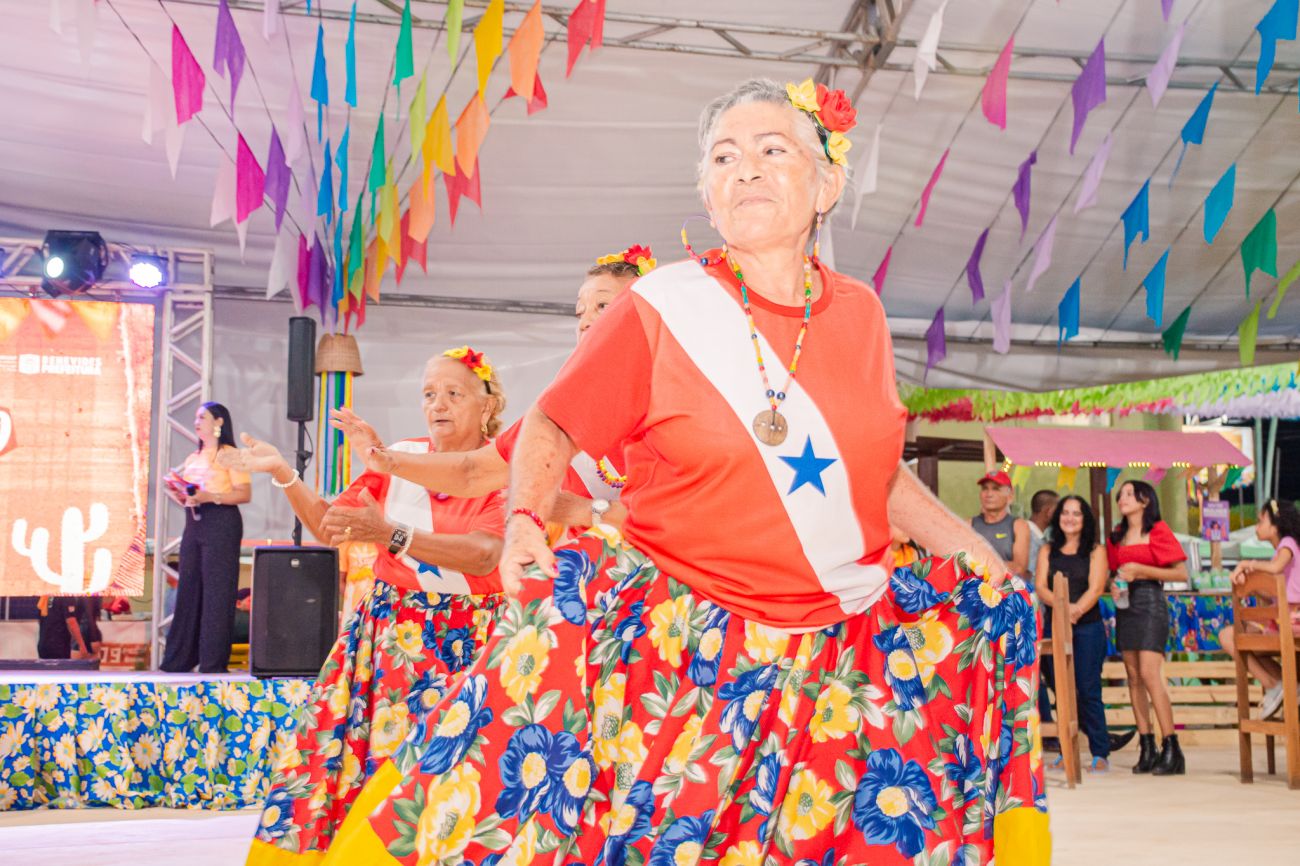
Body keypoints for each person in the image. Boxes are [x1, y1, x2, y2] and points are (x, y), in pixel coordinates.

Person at [322, 77, 1047, 865]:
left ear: (827, 185)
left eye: (773, 150)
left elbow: (873, 474)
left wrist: (975, 555)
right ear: (707, 195)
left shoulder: (862, 315)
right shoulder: (664, 305)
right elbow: (553, 424)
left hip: (836, 651)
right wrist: (525, 516)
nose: (746, 169)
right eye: (724, 157)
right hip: (684, 649)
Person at [221, 348, 510, 866]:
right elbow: (330, 526)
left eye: (454, 393)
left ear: (487, 405)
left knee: (452, 769)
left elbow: (484, 554)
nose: (438, 404)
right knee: (372, 763)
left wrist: (390, 534)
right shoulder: (399, 457)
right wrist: (284, 473)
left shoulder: (502, 468)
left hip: (466, 641)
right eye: (429, 394)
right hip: (389, 638)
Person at [328, 246, 658, 535]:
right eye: (579, 312)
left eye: (603, 306)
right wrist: (386, 461)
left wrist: (579, 509)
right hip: (592, 581)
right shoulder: (562, 407)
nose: (584, 322)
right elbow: (473, 472)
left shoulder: (673, 397)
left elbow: (676, 519)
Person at [160, 402, 251, 673]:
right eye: (196, 418)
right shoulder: (193, 457)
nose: (197, 422)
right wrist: (181, 493)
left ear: (218, 422)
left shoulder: (230, 454)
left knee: (217, 591)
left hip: (221, 521)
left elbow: (244, 493)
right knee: (188, 586)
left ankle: (212, 661)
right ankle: (180, 658)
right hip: (194, 521)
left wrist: (209, 496)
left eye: (202, 417)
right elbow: (192, 495)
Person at [1108, 480, 1188, 776]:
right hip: (1125, 604)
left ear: (1145, 500)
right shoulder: (1116, 535)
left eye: (1130, 494)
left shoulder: (1158, 530)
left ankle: (1172, 746)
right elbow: (1114, 572)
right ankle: (1147, 745)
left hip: (1151, 602)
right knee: (1132, 676)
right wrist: (1114, 585)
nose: (1123, 498)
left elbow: (1181, 573)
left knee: (1150, 674)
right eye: (1121, 495)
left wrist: (1141, 570)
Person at [1036, 496, 1110, 772]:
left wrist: (1076, 610)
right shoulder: (1047, 550)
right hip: (1055, 625)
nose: (1070, 518)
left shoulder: (1096, 550)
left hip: (1088, 626)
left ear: (1085, 518)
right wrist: (1062, 608)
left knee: (1088, 688)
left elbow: (1096, 587)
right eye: (1065, 513)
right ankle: (1067, 749)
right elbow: (1041, 586)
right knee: (1060, 688)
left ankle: (1100, 751)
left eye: (1076, 513)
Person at [1218, 499, 1300, 720]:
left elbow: (1275, 568)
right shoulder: (1284, 549)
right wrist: (1251, 587)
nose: (1256, 526)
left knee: (1229, 637)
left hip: (1289, 622)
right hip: (1284, 619)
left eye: (1261, 521)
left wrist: (1247, 564)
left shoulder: (1287, 544)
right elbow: (1276, 593)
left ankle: (1275, 685)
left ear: (1275, 525)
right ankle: (1284, 685)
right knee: (1236, 640)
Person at [972, 470, 1031, 580]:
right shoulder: (969, 524)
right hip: (973, 588)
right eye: (985, 488)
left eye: (996, 489)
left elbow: (1019, 568)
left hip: (1007, 588)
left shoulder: (1019, 525)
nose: (989, 494)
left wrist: (979, 565)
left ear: (1010, 496)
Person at [36, 596, 93, 660]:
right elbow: (71, 622)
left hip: (43, 645)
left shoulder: (44, 597)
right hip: (59, 646)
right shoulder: (66, 596)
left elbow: (40, 621)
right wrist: (81, 645)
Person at [1026, 489, 1059, 590]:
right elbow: (1029, 578)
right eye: (1058, 511)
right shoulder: (1028, 537)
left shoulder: (1038, 537)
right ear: (1049, 512)